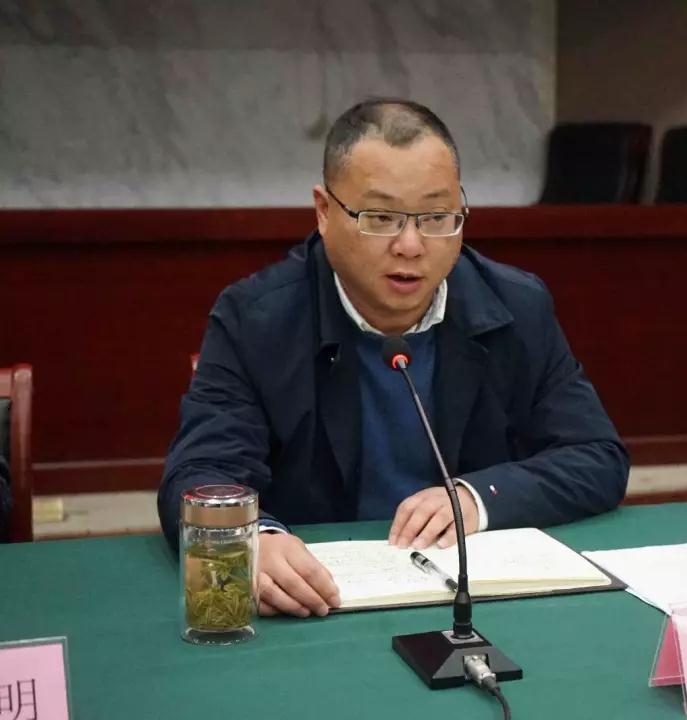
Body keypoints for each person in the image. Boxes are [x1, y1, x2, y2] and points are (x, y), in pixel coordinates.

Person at [158, 98, 629, 618]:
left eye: (436, 217)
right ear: (324, 212)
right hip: (319, 602)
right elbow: (200, 473)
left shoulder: (516, 306)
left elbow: (596, 456)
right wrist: (254, 537)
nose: (410, 245)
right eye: (380, 218)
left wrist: (478, 498)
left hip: (470, 596)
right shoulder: (256, 319)